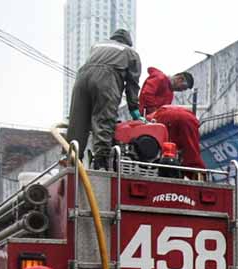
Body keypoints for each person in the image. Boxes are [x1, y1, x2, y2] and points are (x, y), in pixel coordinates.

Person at [66, 29, 142, 170]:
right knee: (104, 118)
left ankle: (70, 159)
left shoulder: (97, 46)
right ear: (128, 42)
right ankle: (101, 160)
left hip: (82, 77)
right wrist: (134, 109)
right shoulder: (130, 53)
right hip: (106, 78)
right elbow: (132, 83)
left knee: (78, 121)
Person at [150, 105, 206, 172]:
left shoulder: (148, 121)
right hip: (188, 117)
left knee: (165, 151)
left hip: (165, 115)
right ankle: (196, 174)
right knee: (191, 152)